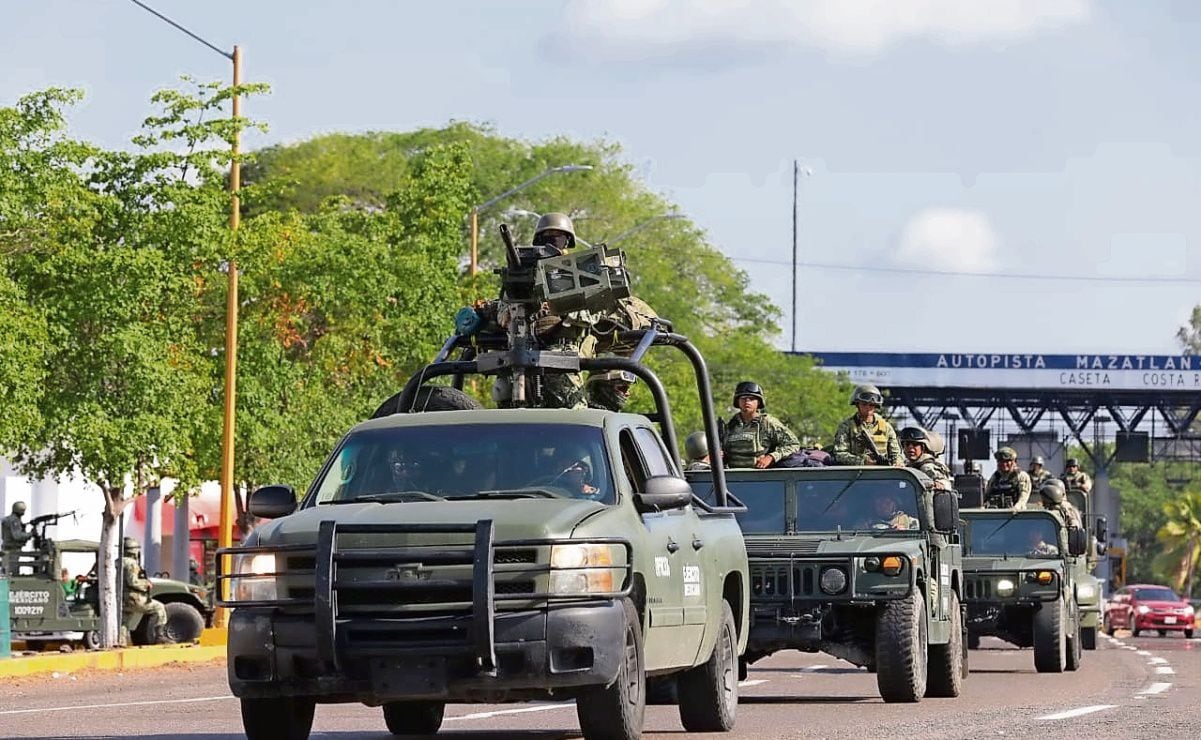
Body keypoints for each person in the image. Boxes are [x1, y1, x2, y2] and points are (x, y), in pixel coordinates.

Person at [719, 381, 800, 468]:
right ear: (737, 401)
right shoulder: (730, 426)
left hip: (759, 477)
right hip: (733, 477)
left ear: (758, 402)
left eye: (751, 398)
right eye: (743, 398)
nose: (747, 401)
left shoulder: (767, 423)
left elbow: (793, 444)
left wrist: (771, 457)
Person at [832, 385, 904, 467]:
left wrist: (897, 462)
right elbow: (840, 454)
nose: (868, 407)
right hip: (855, 474)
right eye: (864, 404)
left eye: (871, 405)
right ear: (857, 404)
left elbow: (896, 453)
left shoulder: (886, 427)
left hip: (883, 473)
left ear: (876, 405)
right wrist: (862, 462)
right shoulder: (847, 426)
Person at [122, 537, 169, 646]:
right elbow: (133, 582)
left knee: (124, 621)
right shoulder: (131, 564)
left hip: (122, 599)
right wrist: (146, 584)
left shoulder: (117, 562)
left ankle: (121, 642)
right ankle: (160, 636)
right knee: (159, 608)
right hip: (134, 598)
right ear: (134, 551)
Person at [1, 501, 32, 571]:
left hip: (6, 547)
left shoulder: (7, 519)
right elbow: (17, 536)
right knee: (12, 570)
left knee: (5, 571)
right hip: (12, 549)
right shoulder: (14, 520)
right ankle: (6, 582)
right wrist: (30, 534)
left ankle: (3, 582)